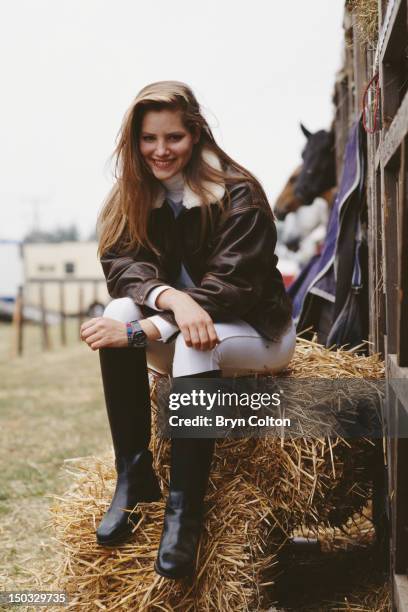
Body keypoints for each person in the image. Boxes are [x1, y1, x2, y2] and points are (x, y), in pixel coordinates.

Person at [80, 80, 295, 580]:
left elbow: (233, 287)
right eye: (148, 139)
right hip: (175, 326)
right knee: (116, 311)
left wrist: (144, 333)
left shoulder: (240, 192)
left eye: (173, 137)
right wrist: (169, 300)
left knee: (196, 347)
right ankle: (133, 478)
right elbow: (121, 264)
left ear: (195, 134)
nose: (160, 150)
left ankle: (185, 514)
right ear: (134, 141)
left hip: (255, 332)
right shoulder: (133, 194)